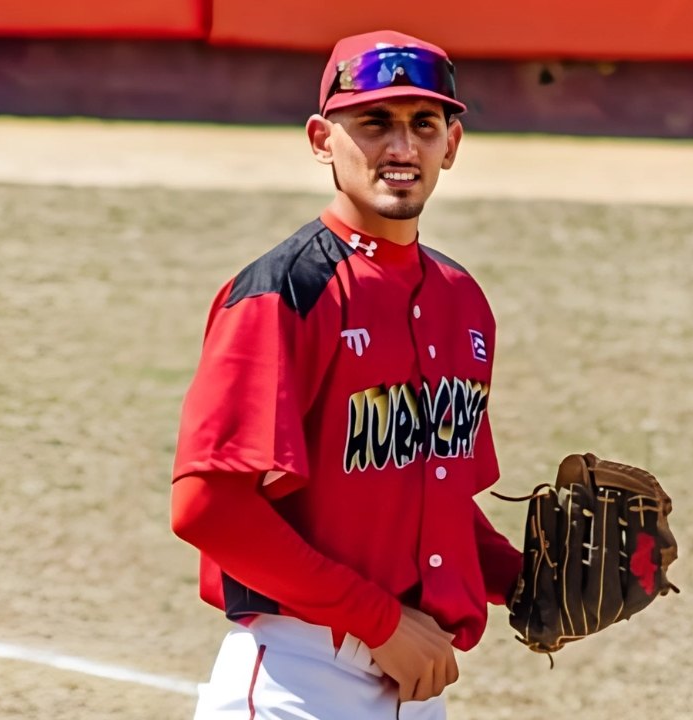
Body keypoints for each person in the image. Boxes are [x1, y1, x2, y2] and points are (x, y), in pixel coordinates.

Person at [170, 29, 523, 720]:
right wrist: (380, 621)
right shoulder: (284, 293)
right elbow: (208, 505)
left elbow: (426, 492)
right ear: (320, 139)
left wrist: (525, 578)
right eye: (373, 123)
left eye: (424, 124)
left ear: (451, 145)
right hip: (298, 676)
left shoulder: (461, 299)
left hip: (418, 686)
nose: (401, 148)